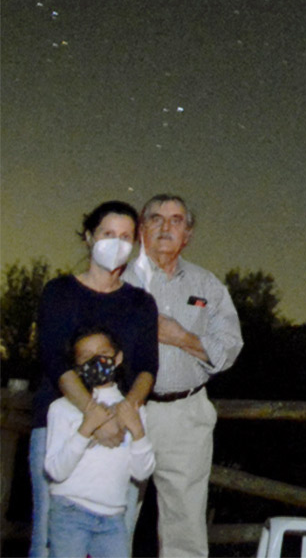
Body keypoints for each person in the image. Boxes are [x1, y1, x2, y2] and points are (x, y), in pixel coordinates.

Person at [29, 200, 159, 558]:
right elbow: (55, 360)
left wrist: (124, 414)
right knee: (48, 541)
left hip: (122, 433)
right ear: (89, 237)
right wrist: (94, 416)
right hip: (62, 426)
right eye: (108, 233)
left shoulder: (141, 303)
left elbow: (147, 368)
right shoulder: (59, 292)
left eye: (126, 237)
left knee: (117, 538)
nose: (116, 243)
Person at [122, 193, 243, 557]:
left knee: (185, 524)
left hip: (186, 414)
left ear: (187, 234)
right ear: (141, 229)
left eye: (176, 220)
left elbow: (230, 347)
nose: (165, 227)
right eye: (155, 219)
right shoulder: (119, 279)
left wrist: (182, 338)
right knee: (115, 513)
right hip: (127, 411)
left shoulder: (208, 286)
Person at [45, 326, 155, 558]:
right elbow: (55, 470)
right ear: (76, 365)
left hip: (113, 517)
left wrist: (137, 430)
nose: (96, 361)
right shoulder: (62, 408)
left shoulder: (133, 410)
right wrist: (86, 429)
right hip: (70, 511)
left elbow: (142, 472)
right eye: (86, 357)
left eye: (103, 353)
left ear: (118, 358)